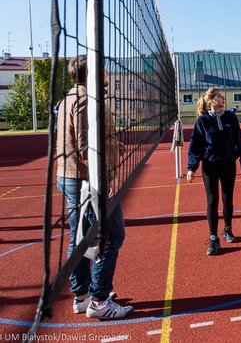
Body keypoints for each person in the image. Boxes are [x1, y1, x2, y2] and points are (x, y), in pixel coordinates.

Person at [56, 55, 132, 319]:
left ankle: (82, 295)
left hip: (71, 177)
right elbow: (85, 146)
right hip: (87, 180)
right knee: (112, 236)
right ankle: (99, 301)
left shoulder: (68, 98)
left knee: (80, 239)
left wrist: (113, 143)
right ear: (94, 74)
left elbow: (87, 137)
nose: (108, 74)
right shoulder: (86, 101)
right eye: (104, 70)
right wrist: (102, 180)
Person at [187, 87, 241, 255]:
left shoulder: (231, 117)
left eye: (223, 96)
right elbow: (195, 146)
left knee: (228, 199)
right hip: (210, 165)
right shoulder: (202, 121)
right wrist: (191, 168)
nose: (223, 99)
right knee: (212, 200)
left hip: (229, 163)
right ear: (212, 100)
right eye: (220, 97)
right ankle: (214, 238)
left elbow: (239, 139)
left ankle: (227, 229)